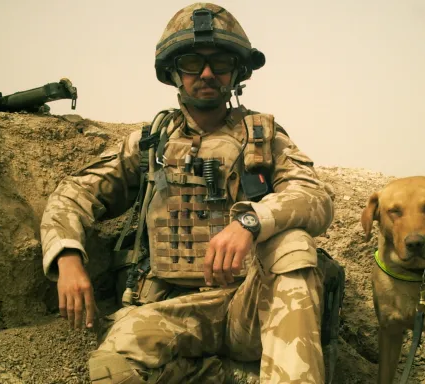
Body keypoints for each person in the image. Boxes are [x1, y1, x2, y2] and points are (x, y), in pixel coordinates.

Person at [39, 3, 342, 383]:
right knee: (112, 371)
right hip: (177, 310)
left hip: (252, 305)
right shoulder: (150, 143)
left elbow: (313, 196)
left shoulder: (261, 137)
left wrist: (249, 223)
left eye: (220, 63)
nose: (207, 73)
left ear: (237, 73)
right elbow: (73, 194)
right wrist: (67, 256)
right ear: (172, 72)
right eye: (192, 63)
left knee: (294, 245)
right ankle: (232, 375)